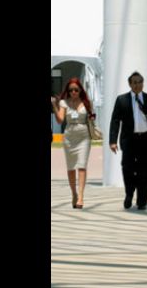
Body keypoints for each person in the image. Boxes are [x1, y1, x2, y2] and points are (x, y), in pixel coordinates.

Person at [109, 71, 147, 210]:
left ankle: (142, 201)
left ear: (143, 83)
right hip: (129, 140)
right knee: (127, 169)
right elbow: (115, 120)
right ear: (130, 84)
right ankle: (129, 193)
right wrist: (113, 140)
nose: (137, 85)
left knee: (144, 171)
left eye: (140, 82)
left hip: (146, 139)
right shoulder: (122, 100)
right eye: (134, 82)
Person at [51, 78, 96, 209]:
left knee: (82, 166)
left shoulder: (87, 102)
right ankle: (74, 194)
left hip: (84, 135)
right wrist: (54, 105)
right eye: (71, 90)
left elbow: (92, 117)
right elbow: (60, 120)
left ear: (80, 89)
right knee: (71, 168)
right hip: (69, 136)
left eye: (76, 89)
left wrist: (92, 117)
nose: (73, 92)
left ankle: (81, 196)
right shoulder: (64, 103)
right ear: (68, 91)